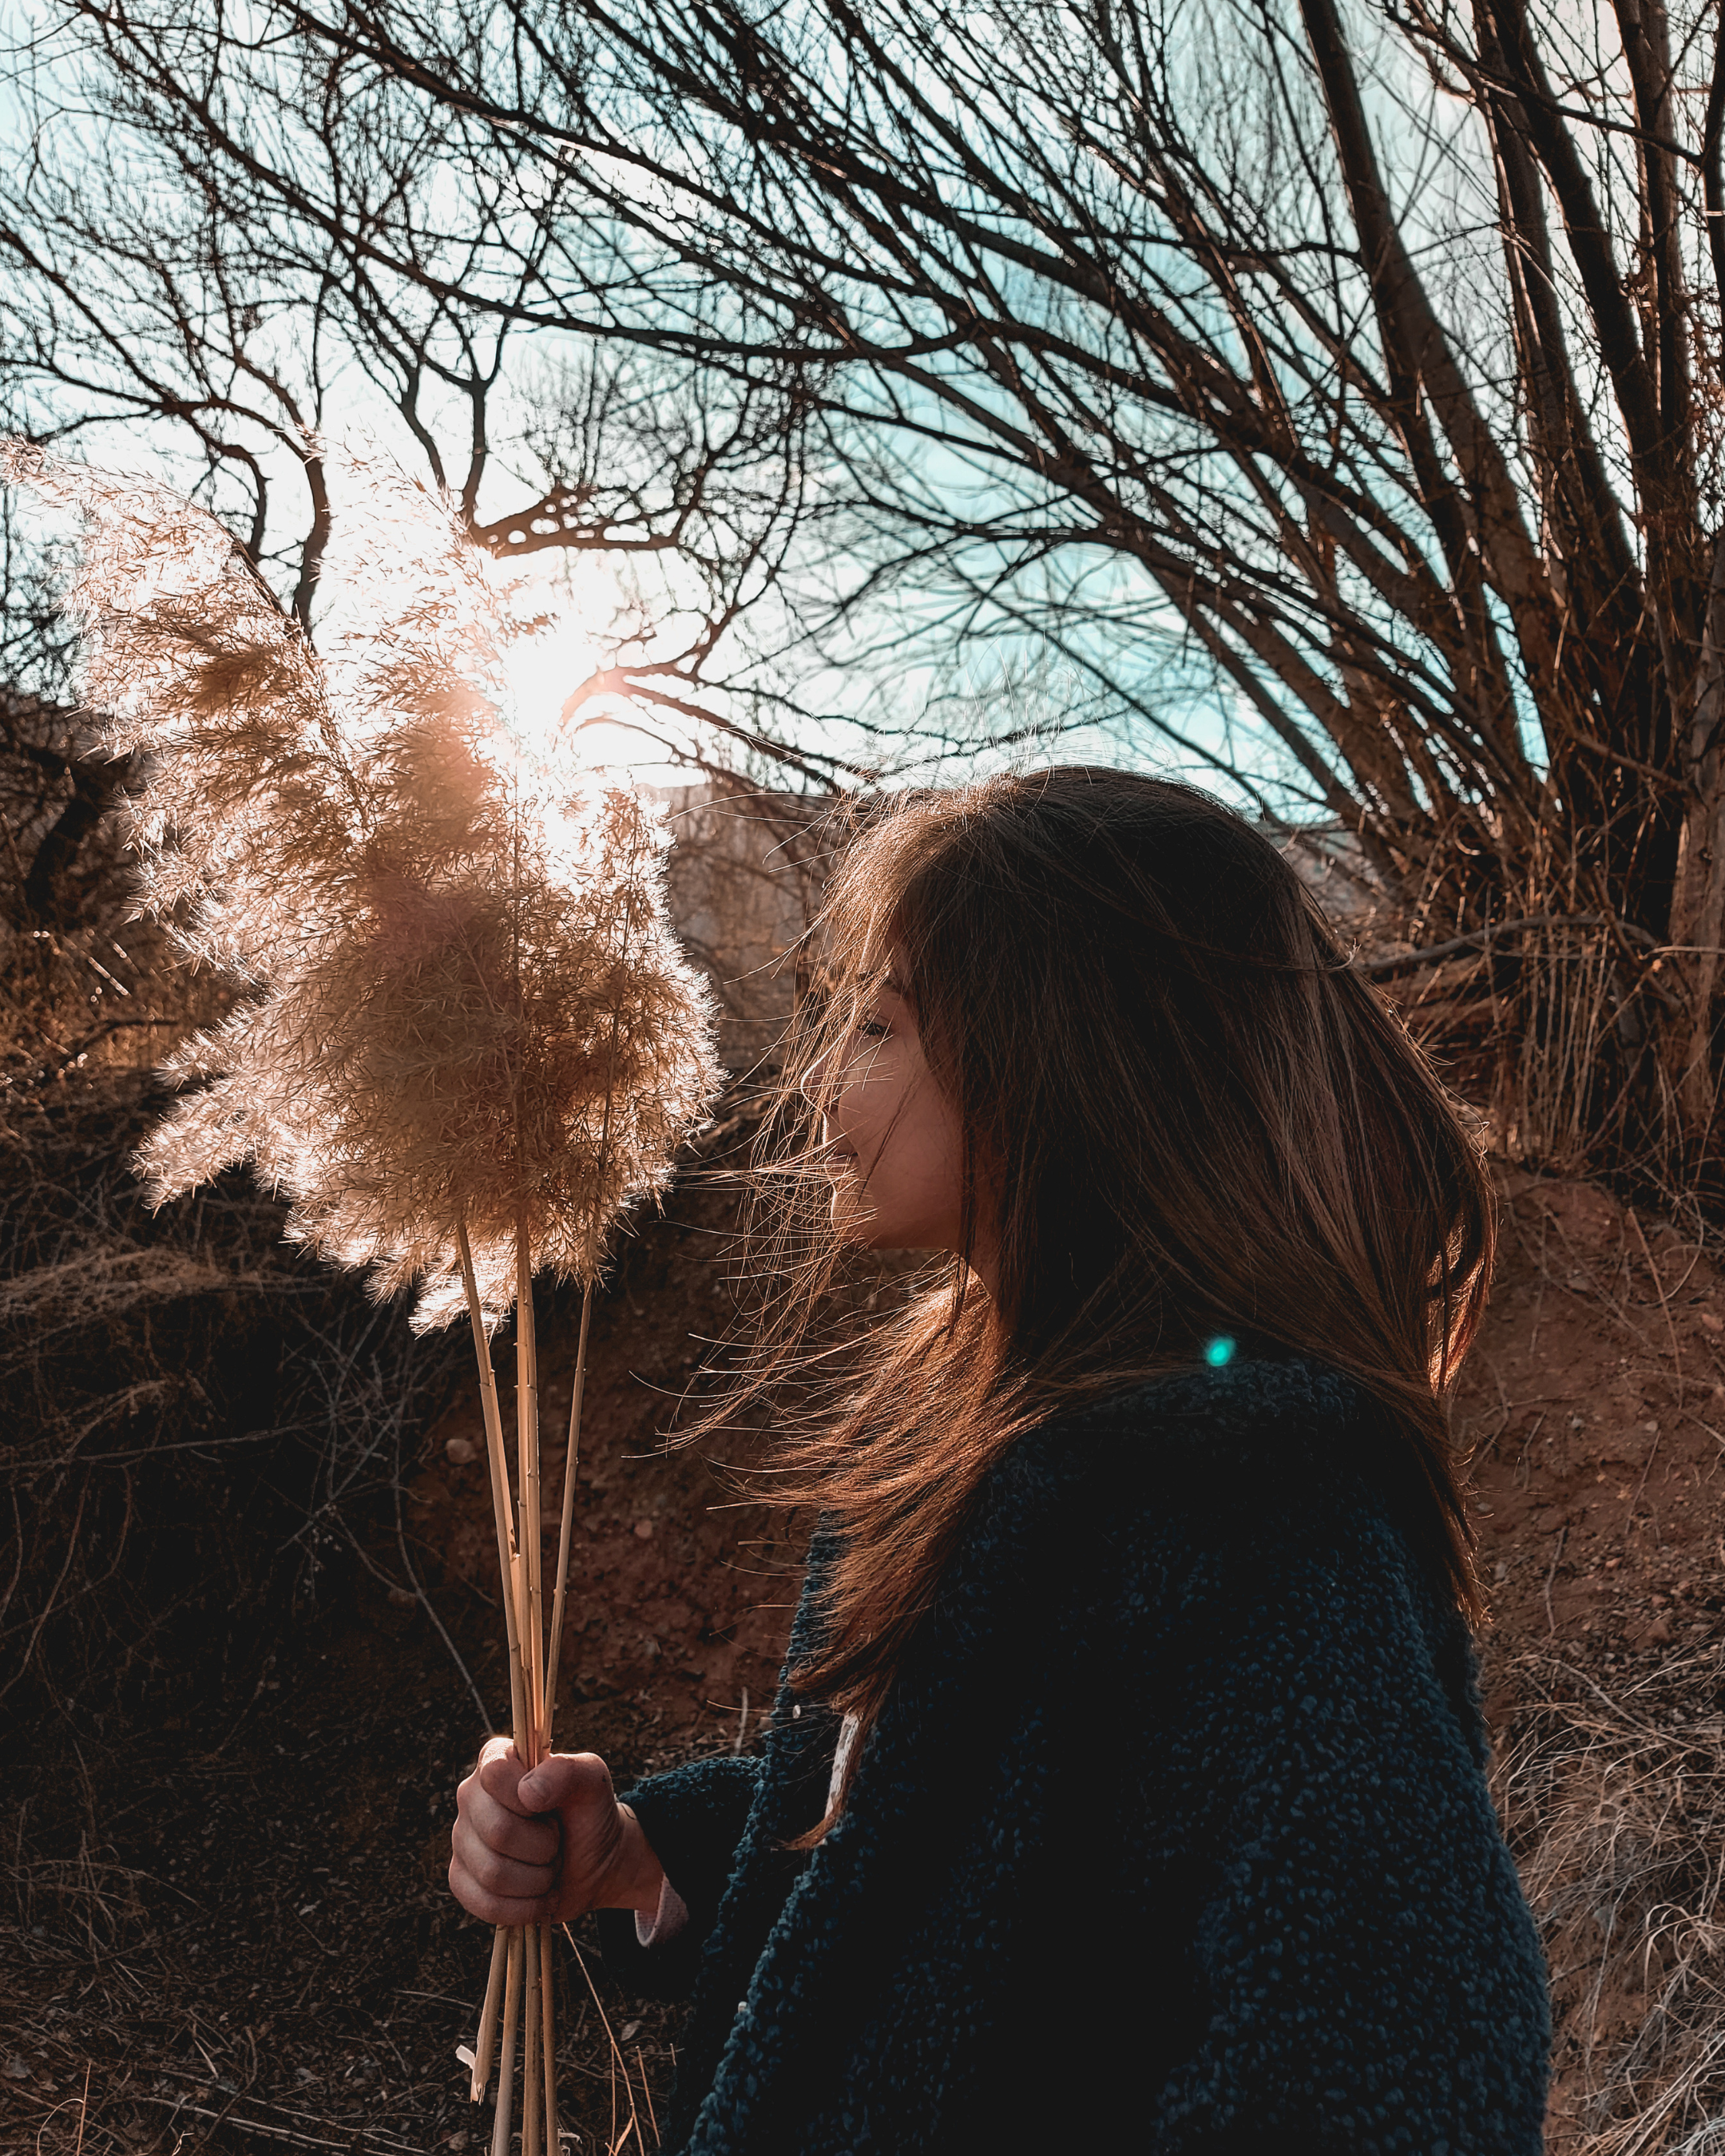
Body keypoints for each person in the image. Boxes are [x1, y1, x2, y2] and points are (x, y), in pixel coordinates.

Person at [449, 767, 1551, 2153]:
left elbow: (1411, 2059)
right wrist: (638, 1856)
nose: (825, 1083)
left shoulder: (1260, 1523)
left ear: (1068, 1063)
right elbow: (944, 1856)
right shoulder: (991, 1443)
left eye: (880, 1025)